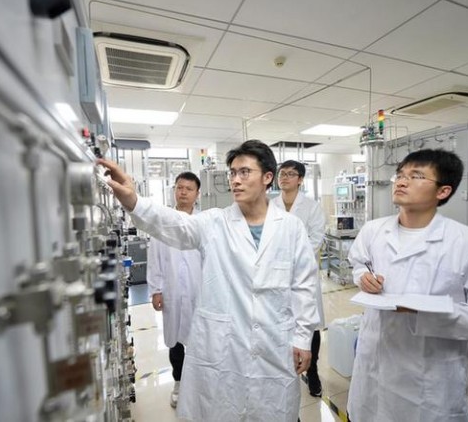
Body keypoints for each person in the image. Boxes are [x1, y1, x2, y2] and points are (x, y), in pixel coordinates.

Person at [98, 140, 319, 422]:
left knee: (271, 410)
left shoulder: (291, 228)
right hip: (224, 346)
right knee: (222, 408)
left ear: (267, 177)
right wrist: (134, 201)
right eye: (233, 173)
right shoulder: (215, 222)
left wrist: (303, 338)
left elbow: (304, 285)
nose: (235, 180)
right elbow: (173, 224)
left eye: (244, 172)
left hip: (274, 344)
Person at [346, 148, 468, 422]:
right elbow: (358, 263)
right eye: (400, 175)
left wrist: (424, 312)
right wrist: (362, 277)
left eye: (416, 176)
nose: (401, 181)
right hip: (373, 371)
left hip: (429, 384)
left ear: (443, 191)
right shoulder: (373, 231)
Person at [147, 172, 202, 409]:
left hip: (200, 292)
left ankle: (200, 384)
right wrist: (156, 290)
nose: (183, 192)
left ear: (197, 194)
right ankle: (179, 384)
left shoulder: (203, 223)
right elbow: (154, 259)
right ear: (174, 191)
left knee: (201, 340)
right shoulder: (163, 222)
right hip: (172, 290)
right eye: (180, 188)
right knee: (175, 341)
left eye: (189, 189)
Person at [271, 160, 326, 397]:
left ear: (300, 179)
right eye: (282, 173)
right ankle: (283, 368)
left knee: (309, 323)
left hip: (303, 274)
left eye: (290, 174)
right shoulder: (270, 205)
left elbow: (316, 239)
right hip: (274, 274)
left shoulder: (312, 207)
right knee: (279, 320)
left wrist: (290, 259)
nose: (284, 177)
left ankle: (312, 372)